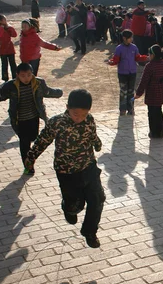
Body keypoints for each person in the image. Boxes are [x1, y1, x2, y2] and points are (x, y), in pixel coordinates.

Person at [24, 89, 105, 249]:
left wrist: (97, 144)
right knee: (76, 205)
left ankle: (90, 231)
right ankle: (69, 208)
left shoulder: (89, 120)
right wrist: (31, 157)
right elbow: (42, 140)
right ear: (67, 107)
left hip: (88, 166)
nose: (79, 118)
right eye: (75, 114)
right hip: (66, 171)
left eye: (83, 114)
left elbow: (92, 135)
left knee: (97, 199)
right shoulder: (57, 122)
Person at [0, 62, 63, 174]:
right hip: (20, 120)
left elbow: (47, 91)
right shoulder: (11, 86)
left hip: (34, 117)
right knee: (24, 142)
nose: (26, 78)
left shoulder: (38, 83)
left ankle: (29, 158)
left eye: (28, 75)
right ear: (17, 75)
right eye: (23, 75)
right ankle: (28, 166)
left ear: (32, 74)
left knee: (33, 137)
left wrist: (59, 93)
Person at [134, 45, 163, 139]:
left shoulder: (149, 66)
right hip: (161, 92)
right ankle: (160, 131)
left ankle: (153, 131)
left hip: (152, 92)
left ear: (153, 55)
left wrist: (138, 93)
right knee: (159, 111)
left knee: (152, 112)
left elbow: (144, 81)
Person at [108, 29, 148, 115]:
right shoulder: (119, 48)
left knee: (131, 92)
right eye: (130, 37)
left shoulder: (134, 47)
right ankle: (122, 109)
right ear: (124, 38)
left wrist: (145, 58)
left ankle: (131, 109)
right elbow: (116, 60)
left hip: (132, 72)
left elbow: (137, 58)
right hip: (122, 73)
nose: (131, 39)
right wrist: (111, 62)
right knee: (123, 92)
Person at [0, 14, 18, 81]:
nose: (6, 21)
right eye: (4, 20)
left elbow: (14, 35)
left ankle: (15, 77)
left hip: (10, 48)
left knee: (13, 63)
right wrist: (1, 28)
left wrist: (10, 27)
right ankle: (5, 78)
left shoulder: (8, 27)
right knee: (4, 64)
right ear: (0, 21)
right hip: (2, 49)